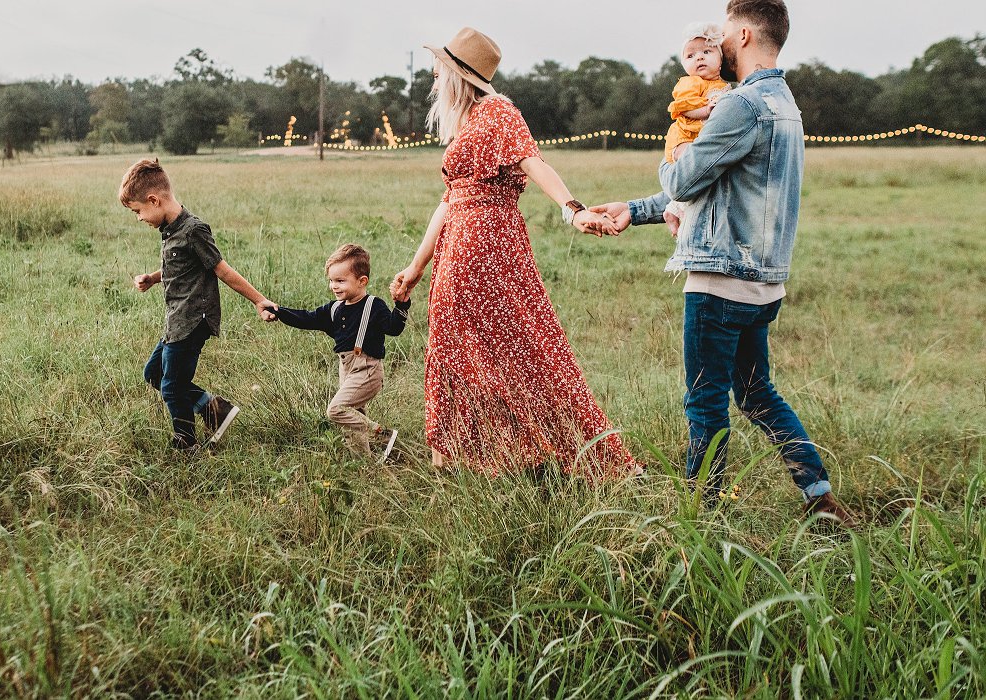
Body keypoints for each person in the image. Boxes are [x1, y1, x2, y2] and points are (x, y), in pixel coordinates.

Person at [589, 0, 858, 525]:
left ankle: (699, 516)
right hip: (763, 282)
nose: (716, 44)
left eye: (723, 34)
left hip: (720, 280)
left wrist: (670, 154)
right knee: (757, 394)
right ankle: (819, 496)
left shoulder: (741, 105)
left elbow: (686, 180)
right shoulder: (784, 103)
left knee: (704, 402)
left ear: (742, 35)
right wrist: (634, 210)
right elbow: (723, 188)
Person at [390, 27, 637, 479]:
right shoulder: (465, 123)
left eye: (438, 68)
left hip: (489, 245)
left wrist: (573, 209)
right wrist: (416, 266)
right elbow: (448, 201)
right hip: (458, 247)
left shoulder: (498, 112)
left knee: (524, 347)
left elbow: (534, 161)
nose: (431, 76)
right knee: (455, 345)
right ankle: (458, 453)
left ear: (457, 74)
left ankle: (549, 448)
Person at [119, 158, 277, 451]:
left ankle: (186, 443)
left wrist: (259, 301)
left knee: (172, 386)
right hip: (176, 320)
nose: (139, 218)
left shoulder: (194, 230)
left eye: (138, 211)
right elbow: (178, 268)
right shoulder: (169, 230)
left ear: (154, 200)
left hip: (193, 320)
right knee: (154, 374)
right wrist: (153, 278)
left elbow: (222, 270)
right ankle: (214, 410)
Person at [268, 244, 409, 461]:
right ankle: (364, 464)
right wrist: (278, 312)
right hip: (346, 369)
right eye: (332, 280)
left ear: (362, 281)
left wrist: (402, 305)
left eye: (340, 281)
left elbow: (394, 328)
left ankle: (381, 435)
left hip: (368, 370)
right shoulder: (334, 309)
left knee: (337, 410)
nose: (334, 286)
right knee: (353, 420)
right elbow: (306, 318)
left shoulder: (374, 305)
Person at [662, 22, 731, 236]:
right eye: (690, 56)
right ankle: (678, 212)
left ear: (721, 59)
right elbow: (682, 108)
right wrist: (706, 110)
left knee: (702, 173)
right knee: (692, 168)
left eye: (707, 52)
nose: (699, 58)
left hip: (698, 138)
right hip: (683, 138)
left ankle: (673, 210)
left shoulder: (723, 86)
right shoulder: (691, 83)